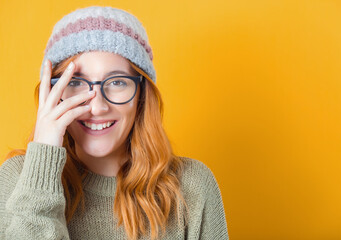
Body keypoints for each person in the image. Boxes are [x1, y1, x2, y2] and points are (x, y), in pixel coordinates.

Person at [0, 6, 228, 240]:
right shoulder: (17, 179)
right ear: (53, 94)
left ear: (141, 94)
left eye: (117, 82)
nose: (97, 107)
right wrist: (42, 164)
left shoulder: (192, 188)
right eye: (76, 83)